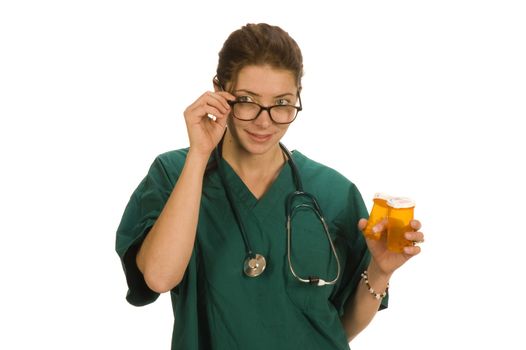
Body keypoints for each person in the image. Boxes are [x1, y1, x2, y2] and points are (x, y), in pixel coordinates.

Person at [115, 23, 424, 350]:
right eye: (247, 100)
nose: (265, 121)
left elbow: (338, 326)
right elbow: (159, 278)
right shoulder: (174, 173)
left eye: (282, 103)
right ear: (219, 91)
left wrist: (379, 272)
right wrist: (199, 154)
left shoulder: (333, 193)